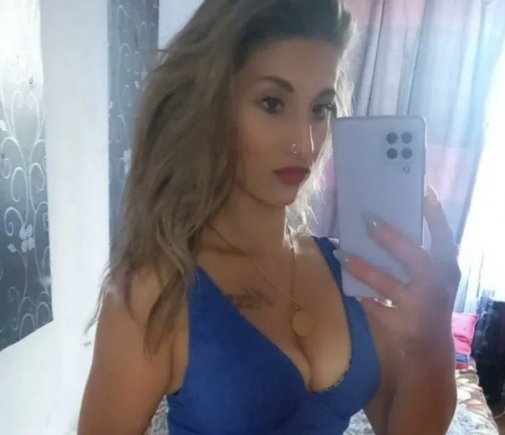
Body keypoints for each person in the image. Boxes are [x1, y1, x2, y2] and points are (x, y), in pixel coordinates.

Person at [78, 0, 461, 434]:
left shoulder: (349, 269)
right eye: (272, 103)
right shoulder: (156, 289)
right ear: (211, 107)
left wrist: (434, 340)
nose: (305, 143)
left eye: (320, 109)